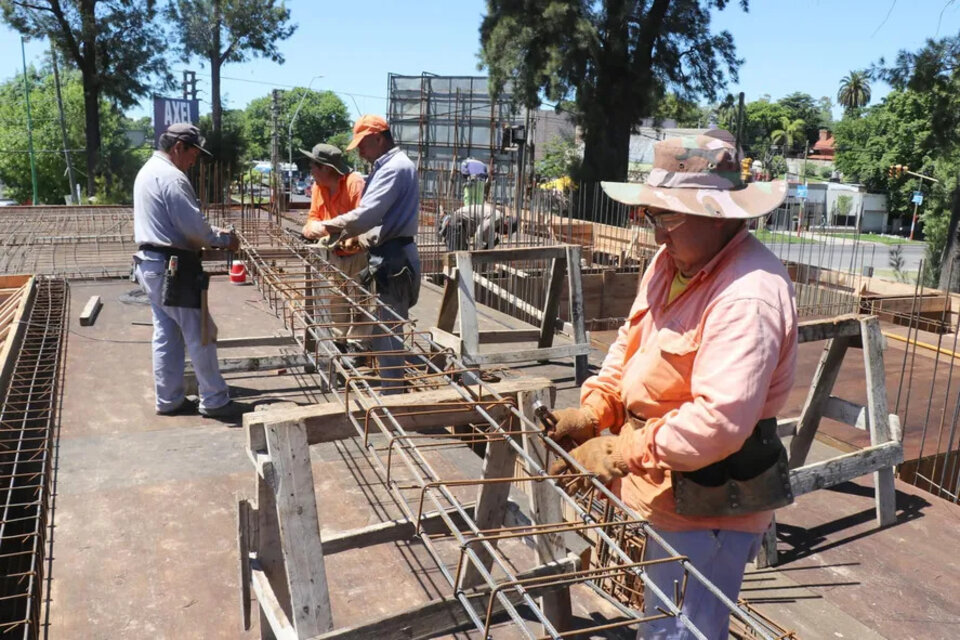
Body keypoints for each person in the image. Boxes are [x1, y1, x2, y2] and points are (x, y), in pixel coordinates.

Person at [547, 131, 797, 639]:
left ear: (722, 214)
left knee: (684, 631)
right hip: (661, 488)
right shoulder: (673, 263)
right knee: (660, 622)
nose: (656, 232)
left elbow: (718, 423)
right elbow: (630, 345)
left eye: (667, 217)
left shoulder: (748, 297)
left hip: (708, 502)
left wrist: (620, 450)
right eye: (653, 215)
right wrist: (596, 411)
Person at [132, 122, 245, 419]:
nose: (194, 160)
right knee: (201, 333)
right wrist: (223, 238)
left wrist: (210, 233)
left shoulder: (148, 171)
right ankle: (215, 400)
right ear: (178, 147)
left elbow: (180, 224)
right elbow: (192, 228)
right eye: (193, 153)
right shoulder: (171, 177)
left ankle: (169, 399)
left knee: (167, 333)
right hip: (173, 266)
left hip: (151, 264)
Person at [312, 115, 420, 392]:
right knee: (385, 328)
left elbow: (366, 215)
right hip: (391, 253)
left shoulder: (393, 168)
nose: (359, 150)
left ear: (379, 138)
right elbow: (375, 219)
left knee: (389, 331)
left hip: (394, 257)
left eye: (362, 144)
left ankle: (394, 394)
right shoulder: (389, 166)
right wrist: (350, 236)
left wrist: (326, 227)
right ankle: (391, 388)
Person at [299, 143, 370, 350]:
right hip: (332, 254)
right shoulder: (317, 188)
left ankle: (359, 346)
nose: (310, 169)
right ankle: (340, 342)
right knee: (334, 299)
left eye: (313, 165)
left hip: (357, 254)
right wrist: (323, 229)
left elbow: (363, 220)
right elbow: (311, 222)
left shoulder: (354, 183)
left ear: (326, 168)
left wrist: (326, 229)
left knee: (361, 302)